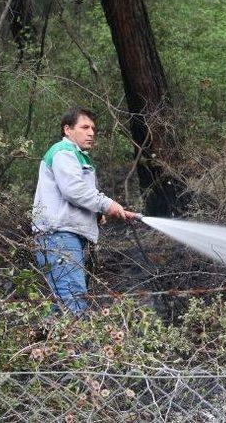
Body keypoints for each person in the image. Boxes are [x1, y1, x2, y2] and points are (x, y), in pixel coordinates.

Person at [32, 107, 137, 315]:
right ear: (67, 130)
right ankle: (77, 348)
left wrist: (96, 215)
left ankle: (50, 346)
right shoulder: (64, 152)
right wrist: (108, 205)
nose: (91, 133)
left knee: (63, 306)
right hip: (59, 237)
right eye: (85, 127)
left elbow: (73, 194)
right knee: (73, 303)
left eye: (93, 129)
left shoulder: (77, 156)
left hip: (62, 237)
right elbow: (74, 190)